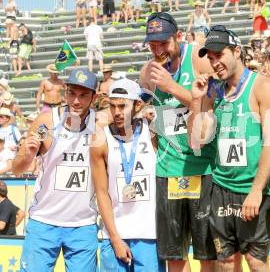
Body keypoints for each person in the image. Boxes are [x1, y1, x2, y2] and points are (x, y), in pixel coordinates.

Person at [189, 25, 270, 271]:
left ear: (237, 51)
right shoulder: (214, 91)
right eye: (210, 58)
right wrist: (198, 100)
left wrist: (257, 190)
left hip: (251, 187)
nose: (214, 62)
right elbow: (199, 140)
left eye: (219, 55)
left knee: (256, 261)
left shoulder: (263, 86)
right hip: (221, 187)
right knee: (226, 262)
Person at [139, 12, 217, 272]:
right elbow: (151, 119)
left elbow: (212, 108)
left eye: (164, 42)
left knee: (207, 254)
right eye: (153, 44)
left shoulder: (198, 58)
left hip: (203, 168)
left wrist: (172, 87)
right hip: (168, 170)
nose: (158, 49)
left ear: (179, 37)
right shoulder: (147, 73)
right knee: (174, 256)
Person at [13, 69, 98, 271]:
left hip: (82, 224)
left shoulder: (102, 122)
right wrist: (28, 155)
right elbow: (17, 169)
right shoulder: (46, 122)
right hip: (44, 220)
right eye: (72, 93)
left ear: (93, 97)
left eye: (84, 95)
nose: (76, 101)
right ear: (65, 92)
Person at [91, 78, 165, 271]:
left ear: (138, 104)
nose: (117, 112)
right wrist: (115, 238)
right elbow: (101, 193)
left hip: (149, 234)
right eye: (113, 106)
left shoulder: (153, 131)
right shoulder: (100, 139)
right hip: (114, 234)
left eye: (123, 106)